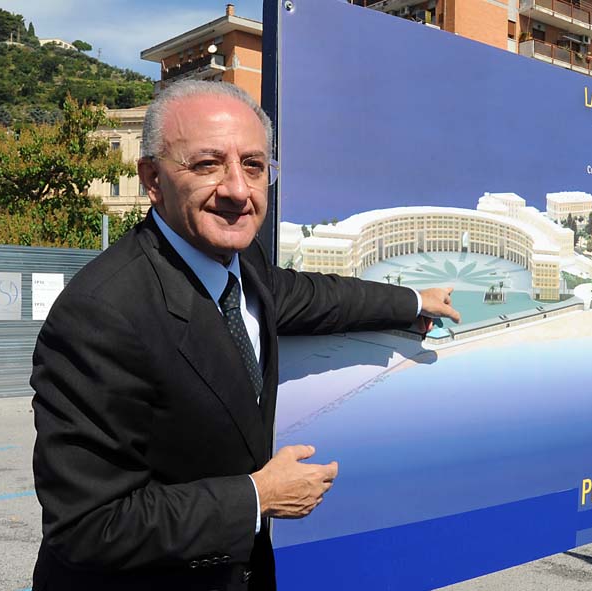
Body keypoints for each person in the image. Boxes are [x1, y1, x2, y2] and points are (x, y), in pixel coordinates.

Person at [30, 80, 461, 591]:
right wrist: (257, 498)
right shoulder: (100, 314)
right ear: (152, 179)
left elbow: (311, 296)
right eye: (208, 164)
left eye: (254, 166)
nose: (238, 190)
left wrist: (413, 302)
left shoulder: (241, 261)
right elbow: (87, 525)